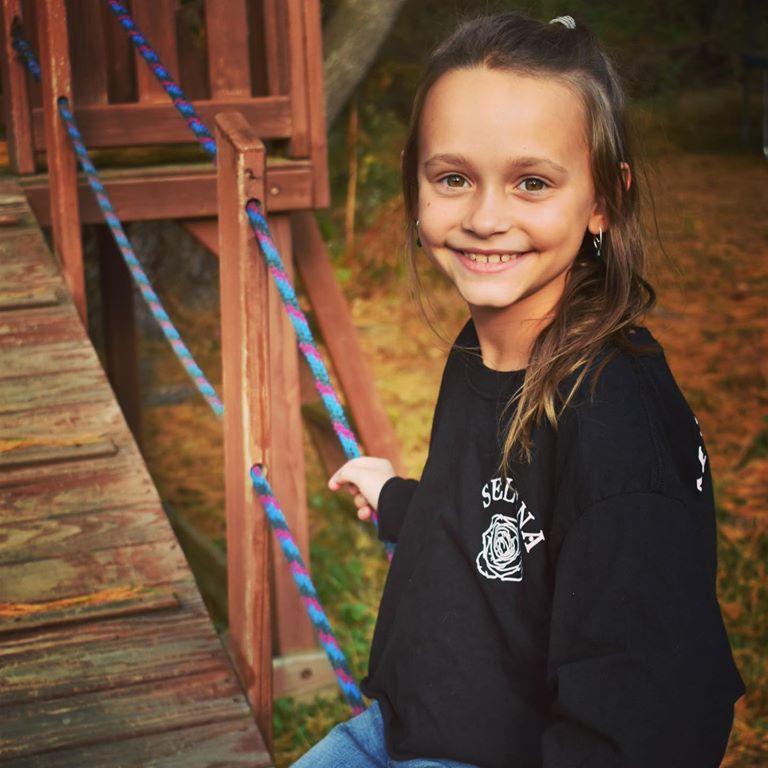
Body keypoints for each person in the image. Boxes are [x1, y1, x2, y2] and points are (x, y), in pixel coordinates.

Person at [291, 10, 745, 768]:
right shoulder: (482, 347)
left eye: (531, 183)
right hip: (403, 726)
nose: (485, 218)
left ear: (604, 200)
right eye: (453, 179)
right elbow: (502, 515)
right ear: (415, 184)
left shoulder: (615, 425)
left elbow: (649, 712)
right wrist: (401, 500)